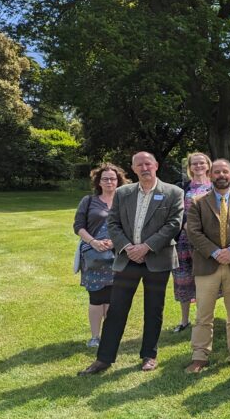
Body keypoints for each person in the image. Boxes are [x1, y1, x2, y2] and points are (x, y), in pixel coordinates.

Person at [79, 151, 184, 375]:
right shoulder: (122, 192)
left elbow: (174, 224)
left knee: (154, 308)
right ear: (134, 168)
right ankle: (104, 359)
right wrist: (128, 248)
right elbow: (113, 222)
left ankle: (149, 355)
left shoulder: (174, 192)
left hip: (157, 259)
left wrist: (146, 247)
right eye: (139, 165)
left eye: (148, 163)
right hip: (128, 259)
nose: (144, 168)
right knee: (117, 308)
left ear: (156, 165)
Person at [183, 159, 230, 372]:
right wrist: (215, 252)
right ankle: (200, 356)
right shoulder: (198, 202)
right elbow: (193, 232)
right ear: (210, 175)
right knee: (204, 314)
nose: (221, 175)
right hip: (208, 264)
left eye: (225, 171)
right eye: (217, 172)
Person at [72, 163, 127, 347]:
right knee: (96, 297)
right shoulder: (88, 201)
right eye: (105, 179)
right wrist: (93, 242)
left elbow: (132, 226)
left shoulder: (125, 202)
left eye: (113, 178)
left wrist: (115, 242)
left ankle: (110, 336)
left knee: (113, 298)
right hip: (94, 256)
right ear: (99, 181)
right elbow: (78, 226)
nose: (109, 182)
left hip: (117, 255)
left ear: (119, 181)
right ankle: (95, 336)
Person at [172, 152, 213, 331]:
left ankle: (202, 317)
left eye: (201, 163)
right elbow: (176, 213)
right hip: (184, 239)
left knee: (205, 279)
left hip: (207, 240)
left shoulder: (215, 187)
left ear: (208, 165)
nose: (198, 166)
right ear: (190, 167)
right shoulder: (182, 187)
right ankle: (184, 320)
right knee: (183, 278)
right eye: (194, 164)